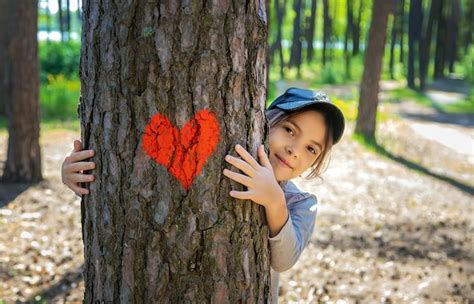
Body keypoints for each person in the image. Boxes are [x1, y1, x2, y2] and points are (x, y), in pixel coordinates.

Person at [61, 87, 345, 303]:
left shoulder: (301, 203)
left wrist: (274, 200)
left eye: (311, 149)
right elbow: (126, 195)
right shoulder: (228, 158)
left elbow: (283, 260)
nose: (295, 149)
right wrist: (74, 175)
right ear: (265, 120)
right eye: (289, 130)